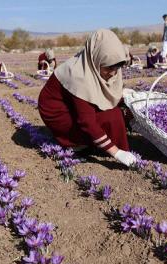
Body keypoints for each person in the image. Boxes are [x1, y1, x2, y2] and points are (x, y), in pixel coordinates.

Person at [38, 29, 137, 167]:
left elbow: (108, 95)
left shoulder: (97, 65)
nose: (113, 73)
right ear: (96, 58)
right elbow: (86, 122)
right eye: (108, 68)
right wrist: (116, 153)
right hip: (58, 113)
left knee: (121, 109)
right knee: (112, 116)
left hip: (71, 104)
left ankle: (99, 142)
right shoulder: (80, 76)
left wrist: (127, 96)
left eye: (117, 67)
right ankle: (75, 144)